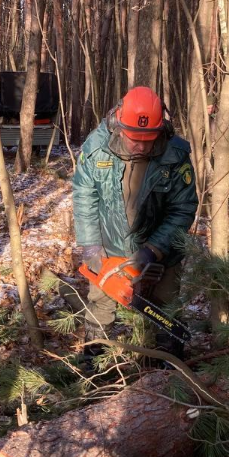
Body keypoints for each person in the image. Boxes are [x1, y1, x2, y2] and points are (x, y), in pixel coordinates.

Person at [72, 86, 199, 361]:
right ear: (120, 125)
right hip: (110, 245)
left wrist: (153, 250)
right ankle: (93, 365)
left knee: (166, 305)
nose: (141, 146)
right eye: (134, 139)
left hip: (160, 248)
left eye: (148, 139)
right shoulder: (96, 149)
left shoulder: (175, 155)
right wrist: (92, 246)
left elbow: (183, 208)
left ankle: (167, 371)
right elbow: (84, 197)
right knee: (100, 305)